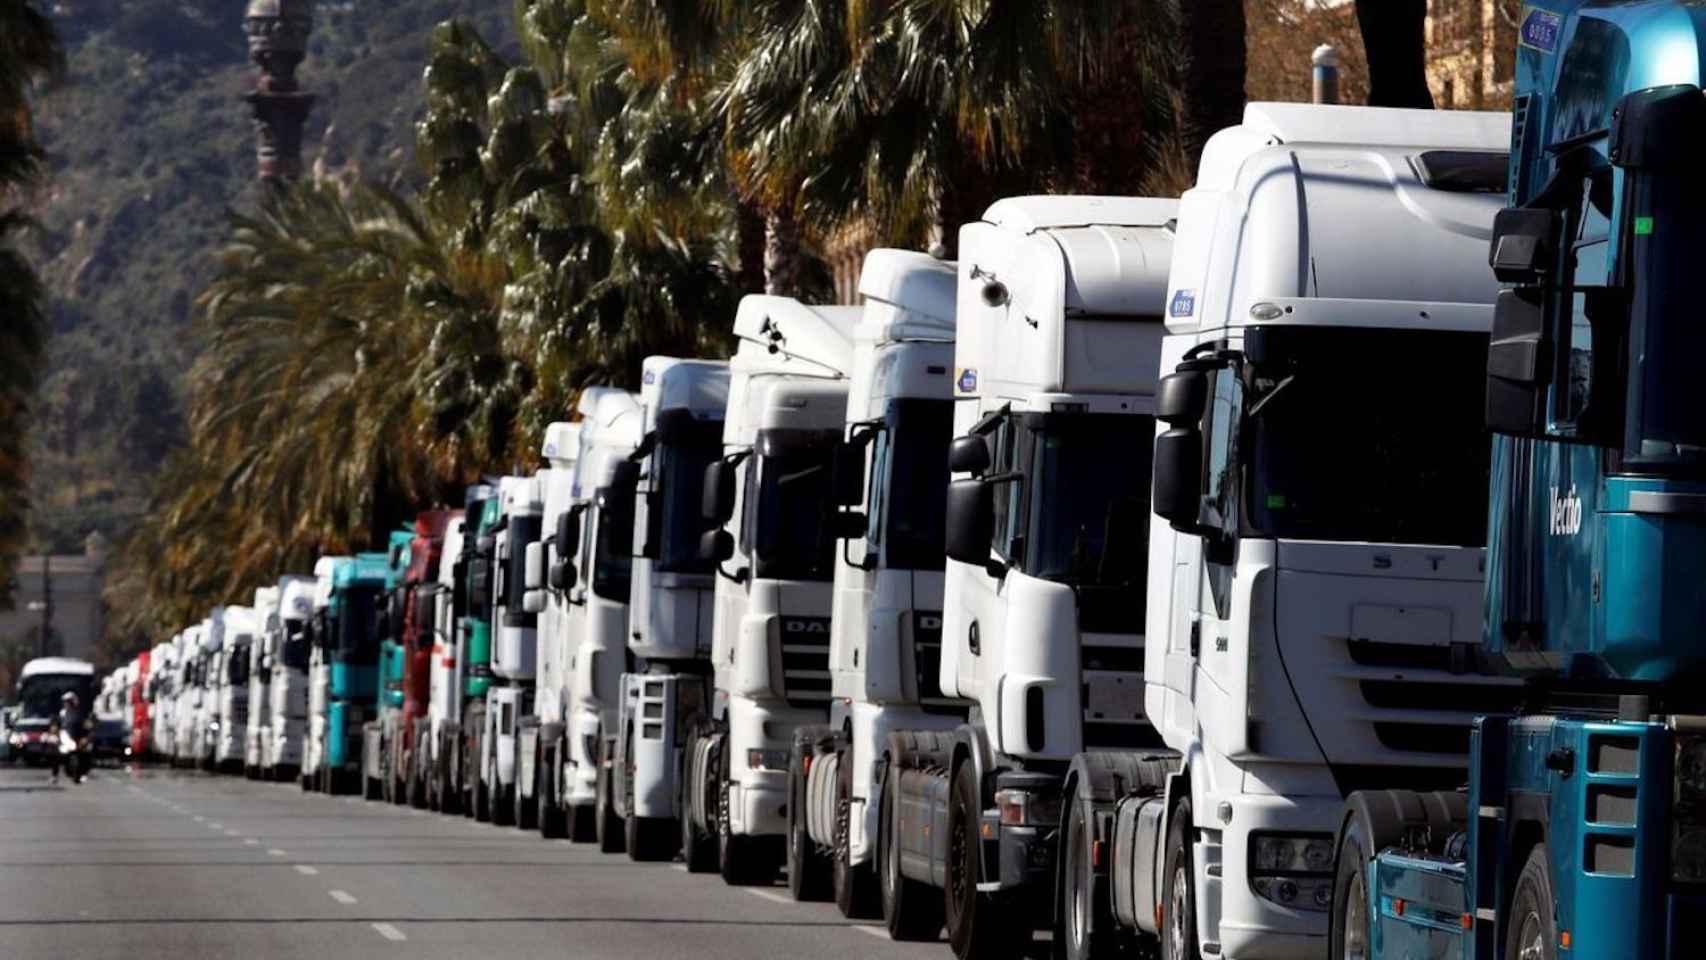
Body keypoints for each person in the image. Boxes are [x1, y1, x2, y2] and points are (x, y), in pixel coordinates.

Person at [50, 692, 88, 784]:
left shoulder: (80, 714)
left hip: (76, 737)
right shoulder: (61, 714)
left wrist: (85, 737)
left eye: (69, 702)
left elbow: (86, 726)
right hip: (64, 737)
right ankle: (55, 775)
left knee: (84, 754)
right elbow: (55, 725)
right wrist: (55, 731)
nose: (67, 704)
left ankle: (80, 774)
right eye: (66, 702)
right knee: (55, 754)